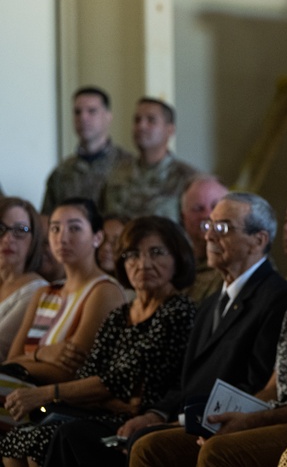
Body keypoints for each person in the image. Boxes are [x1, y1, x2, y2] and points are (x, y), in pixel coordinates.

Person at [128, 184, 287, 467]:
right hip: (276, 418)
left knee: (219, 452)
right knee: (150, 447)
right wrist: (232, 418)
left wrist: (256, 420)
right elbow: (275, 386)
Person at [44, 192, 287, 467]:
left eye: (222, 228)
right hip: (183, 417)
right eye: (208, 226)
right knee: (70, 436)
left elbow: (256, 385)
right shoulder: (212, 302)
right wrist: (156, 413)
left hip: (224, 425)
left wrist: (178, 420)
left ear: (258, 240)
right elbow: (186, 382)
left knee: (118, 442)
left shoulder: (278, 299)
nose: (209, 236)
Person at [0, 216, 196, 467]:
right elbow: (90, 374)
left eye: (156, 253)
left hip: (146, 417)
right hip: (106, 410)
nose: (143, 264)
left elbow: (122, 376)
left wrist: (47, 393)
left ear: (177, 259)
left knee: (51, 437)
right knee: (17, 438)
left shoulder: (178, 310)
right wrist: (112, 399)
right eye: (132, 255)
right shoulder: (120, 315)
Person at [2, 198, 125, 385]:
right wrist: (43, 354)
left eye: (74, 228)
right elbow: (11, 360)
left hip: (60, 408)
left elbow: (69, 371)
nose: (62, 238)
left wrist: (26, 359)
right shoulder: (45, 293)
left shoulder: (103, 291)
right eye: (55, 229)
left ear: (97, 237)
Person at [100, 97, 200, 222]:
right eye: (137, 120)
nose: (141, 126)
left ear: (170, 130)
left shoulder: (188, 179)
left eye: (151, 120)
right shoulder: (115, 174)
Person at [40, 87, 133, 215]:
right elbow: (48, 221)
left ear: (108, 116)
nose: (83, 118)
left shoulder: (128, 166)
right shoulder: (61, 172)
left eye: (92, 111)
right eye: (77, 112)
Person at [0, 198, 47, 358]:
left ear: (33, 240)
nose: (8, 238)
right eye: (1, 228)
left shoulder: (36, 290)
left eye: (20, 230)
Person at [178, 175, 228, 305]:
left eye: (215, 206)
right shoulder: (173, 265)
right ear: (184, 217)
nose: (208, 215)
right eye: (198, 209)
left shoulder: (240, 265)